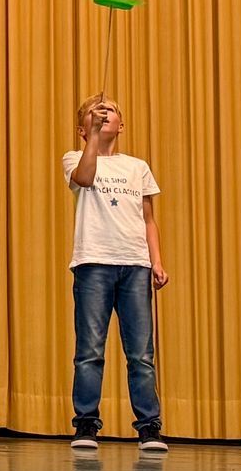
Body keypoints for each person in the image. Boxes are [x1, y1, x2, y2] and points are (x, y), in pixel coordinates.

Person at [64, 94, 167, 451]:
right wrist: (93, 138)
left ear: (121, 126)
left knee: (141, 353)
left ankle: (149, 426)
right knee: (90, 350)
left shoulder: (137, 167)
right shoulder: (75, 157)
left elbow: (148, 219)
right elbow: (85, 178)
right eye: (96, 113)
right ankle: (86, 424)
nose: (104, 114)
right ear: (82, 129)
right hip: (93, 262)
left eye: (110, 112)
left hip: (135, 265)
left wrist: (156, 260)